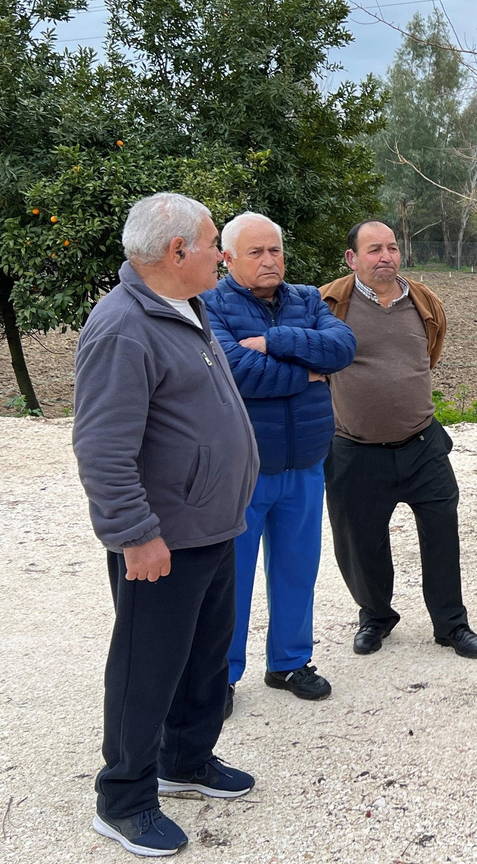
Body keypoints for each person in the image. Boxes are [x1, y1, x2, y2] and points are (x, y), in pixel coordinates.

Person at [73, 192, 259, 857]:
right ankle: (122, 799)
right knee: (144, 669)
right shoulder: (123, 326)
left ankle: (186, 759)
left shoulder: (187, 305)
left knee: (204, 660)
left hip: (212, 526)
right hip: (162, 539)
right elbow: (102, 446)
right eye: (214, 243)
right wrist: (134, 533)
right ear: (178, 251)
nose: (223, 254)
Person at [201, 212, 356, 717]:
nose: (270, 261)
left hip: (307, 462)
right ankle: (219, 675)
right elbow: (235, 370)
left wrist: (277, 342)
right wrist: (309, 373)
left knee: (297, 569)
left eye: (275, 251)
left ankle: (289, 662)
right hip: (244, 470)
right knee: (234, 577)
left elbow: (343, 347)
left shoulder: (308, 299)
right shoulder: (209, 306)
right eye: (255, 253)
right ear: (227, 259)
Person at [319, 221, 477, 659]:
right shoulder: (329, 303)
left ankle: (451, 624)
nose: (386, 256)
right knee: (360, 542)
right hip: (354, 449)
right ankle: (375, 617)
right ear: (352, 259)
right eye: (374, 249)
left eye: (392, 247)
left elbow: (429, 353)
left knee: (442, 536)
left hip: (422, 445)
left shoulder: (424, 301)